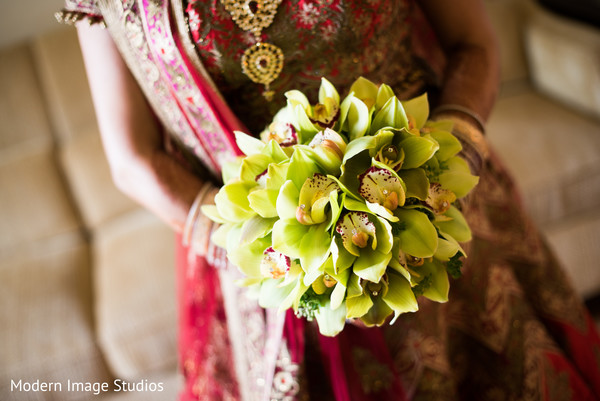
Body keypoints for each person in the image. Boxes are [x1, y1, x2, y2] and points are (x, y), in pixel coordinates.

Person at [57, 0, 600, 400]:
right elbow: (132, 158)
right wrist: (279, 268)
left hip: (434, 217)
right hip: (259, 269)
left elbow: (473, 46)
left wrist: (438, 182)